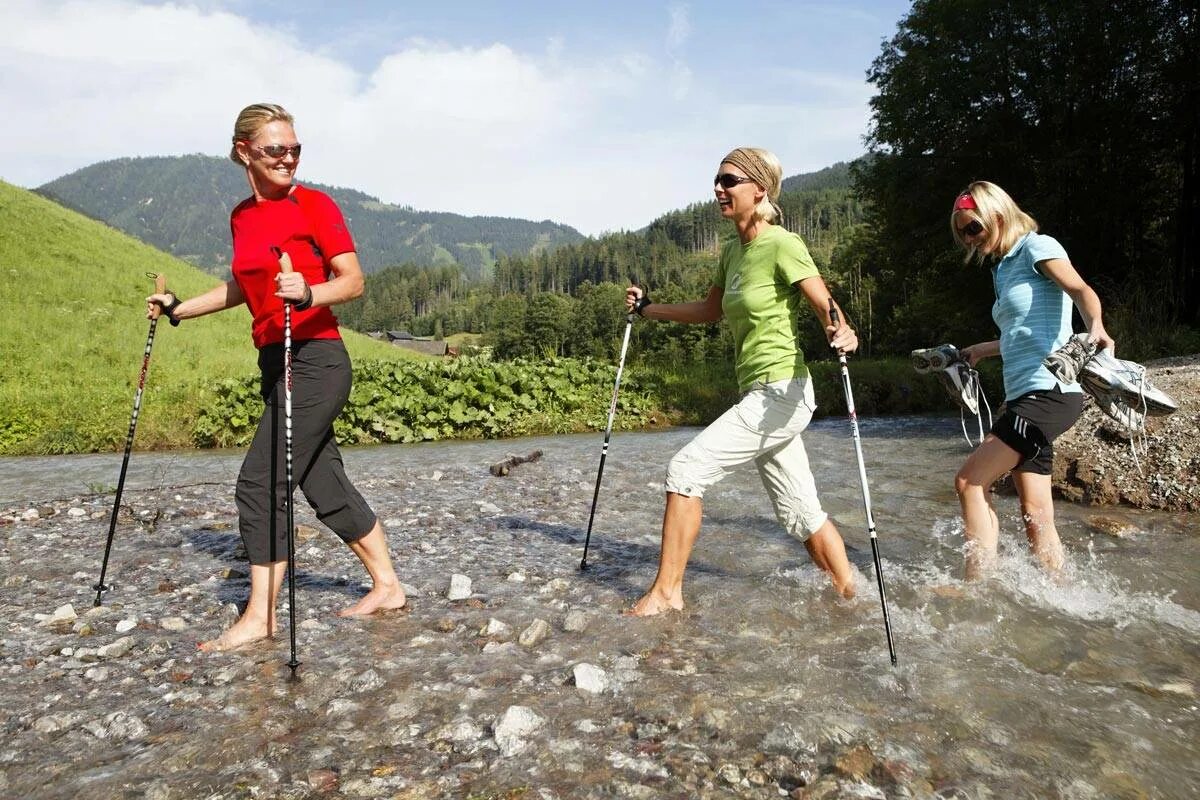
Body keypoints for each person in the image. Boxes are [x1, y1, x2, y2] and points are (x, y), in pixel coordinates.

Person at [147, 103, 406, 651]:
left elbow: (353, 281)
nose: (288, 158)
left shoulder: (315, 204)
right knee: (321, 481)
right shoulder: (242, 216)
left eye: (295, 149)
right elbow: (246, 285)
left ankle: (260, 616)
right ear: (244, 151)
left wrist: (310, 292)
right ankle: (388, 586)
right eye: (275, 150)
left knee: (260, 483)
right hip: (275, 358)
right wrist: (178, 309)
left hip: (316, 356)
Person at [624, 147, 859, 617]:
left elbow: (822, 301)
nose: (718, 188)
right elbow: (709, 311)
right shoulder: (732, 252)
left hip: (784, 391)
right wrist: (650, 309)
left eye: (729, 180)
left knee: (686, 471)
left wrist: (842, 328)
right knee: (801, 513)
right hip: (759, 393)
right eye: (717, 179)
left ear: (759, 189)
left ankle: (667, 593)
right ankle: (852, 598)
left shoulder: (782, 243)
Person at [950, 181, 1114, 579]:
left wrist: (1096, 327)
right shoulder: (1003, 269)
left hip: (1049, 391)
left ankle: (976, 586)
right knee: (1035, 511)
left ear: (998, 216)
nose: (969, 239)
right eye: (962, 233)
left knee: (969, 483)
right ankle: (1059, 590)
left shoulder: (1036, 247)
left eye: (974, 228)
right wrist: (979, 351)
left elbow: (1080, 289)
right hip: (1026, 392)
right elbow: (1019, 335)